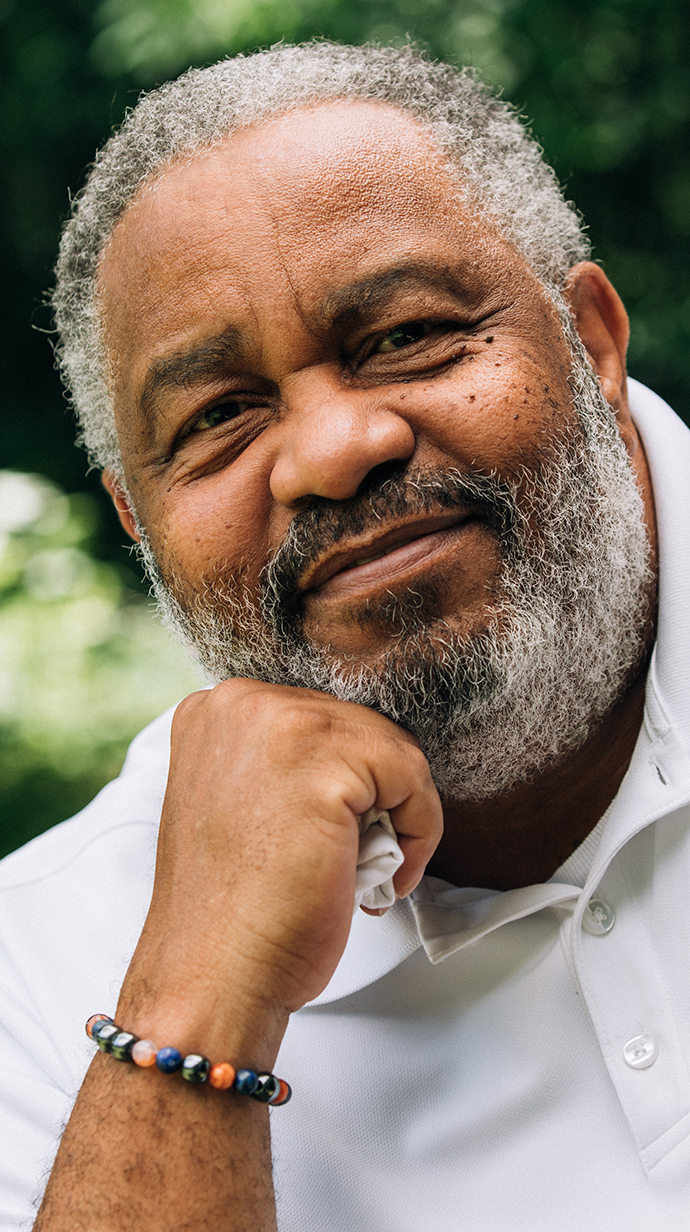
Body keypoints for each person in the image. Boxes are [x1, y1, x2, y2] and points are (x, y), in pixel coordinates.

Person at [1, 39, 689, 1232]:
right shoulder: (41, 973)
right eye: (218, 416)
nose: (330, 452)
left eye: (406, 335)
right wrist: (197, 1003)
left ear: (590, 339)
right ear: (136, 519)